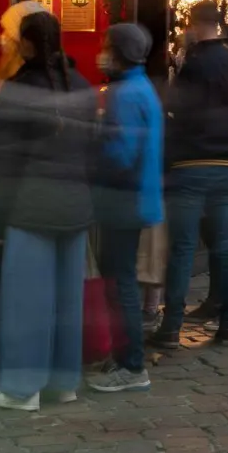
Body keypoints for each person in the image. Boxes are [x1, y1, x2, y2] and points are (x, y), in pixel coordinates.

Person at [0, 9, 97, 411]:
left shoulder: (19, 90)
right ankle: (64, 383)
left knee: (25, 300)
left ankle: (22, 388)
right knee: (68, 299)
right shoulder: (81, 86)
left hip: (31, 205)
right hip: (76, 203)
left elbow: (6, 161)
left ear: (26, 44)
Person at [151, 1, 228, 348]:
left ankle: (170, 327)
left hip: (191, 164)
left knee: (183, 247)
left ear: (195, 25)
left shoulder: (193, 66)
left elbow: (177, 111)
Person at [87, 23, 164, 394]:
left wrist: (92, 150)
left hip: (123, 200)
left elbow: (120, 154)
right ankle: (123, 357)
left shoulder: (124, 93)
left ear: (117, 52)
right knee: (122, 281)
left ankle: (131, 364)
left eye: (105, 45)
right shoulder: (141, 87)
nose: (101, 51)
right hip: (137, 197)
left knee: (120, 284)